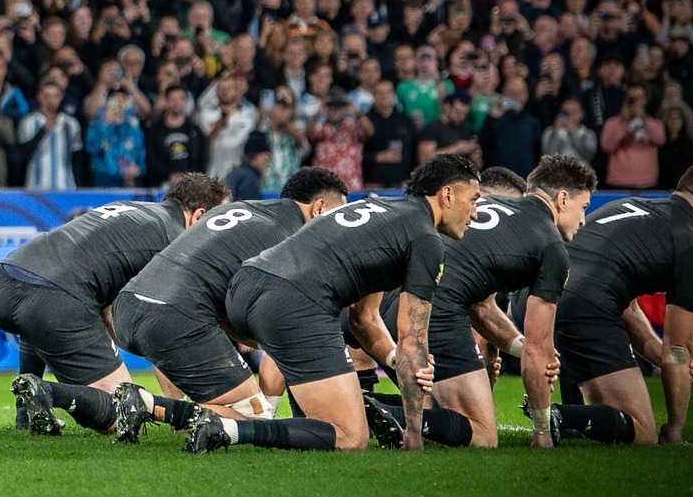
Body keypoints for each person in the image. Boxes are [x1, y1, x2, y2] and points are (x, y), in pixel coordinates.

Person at [187, 154, 481, 453]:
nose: (474, 214)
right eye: (473, 200)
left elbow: (363, 319)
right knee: (351, 437)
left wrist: (393, 359)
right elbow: (412, 342)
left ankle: (194, 414)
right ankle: (231, 429)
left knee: (323, 416)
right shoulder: (426, 238)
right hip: (295, 302)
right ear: (447, 195)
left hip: (244, 288)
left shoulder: (379, 211)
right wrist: (415, 433)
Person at [365, 155, 594, 450]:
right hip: (439, 306)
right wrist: (543, 431)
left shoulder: (489, 206)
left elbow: (483, 309)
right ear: (562, 200)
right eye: (583, 207)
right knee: (482, 434)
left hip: (397, 296)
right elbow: (540, 350)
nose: (583, 220)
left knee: (440, 409)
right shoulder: (551, 246)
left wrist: (520, 347)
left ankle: (362, 402)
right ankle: (387, 414)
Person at [110, 168, 351, 435]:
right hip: (175, 317)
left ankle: (167, 415)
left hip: (127, 308)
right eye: (338, 214)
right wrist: (267, 409)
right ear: (319, 208)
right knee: (253, 418)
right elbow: (282, 327)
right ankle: (149, 405)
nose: (339, 227)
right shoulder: (292, 240)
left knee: (219, 397)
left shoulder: (239, 210)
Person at [0, 175, 230, 440]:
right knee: (122, 411)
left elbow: (108, 310)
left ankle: (25, 412)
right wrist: (178, 413)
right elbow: (162, 332)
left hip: (1, 282)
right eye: (217, 222)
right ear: (199, 216)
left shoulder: (134, 210)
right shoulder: (172, 242)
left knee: (38, 316)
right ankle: (46, 392)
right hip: (53, 298)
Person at [548, 155, 693, 445]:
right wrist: (674, 427)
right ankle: (559, 415)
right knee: (642, 431)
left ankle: (569, 418)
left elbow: (625, 307)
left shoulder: (632, 206)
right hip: (586, 306)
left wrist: (660, 356)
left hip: (545, 296)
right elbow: (679, 349)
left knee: (609, 408)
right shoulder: (687, 245)